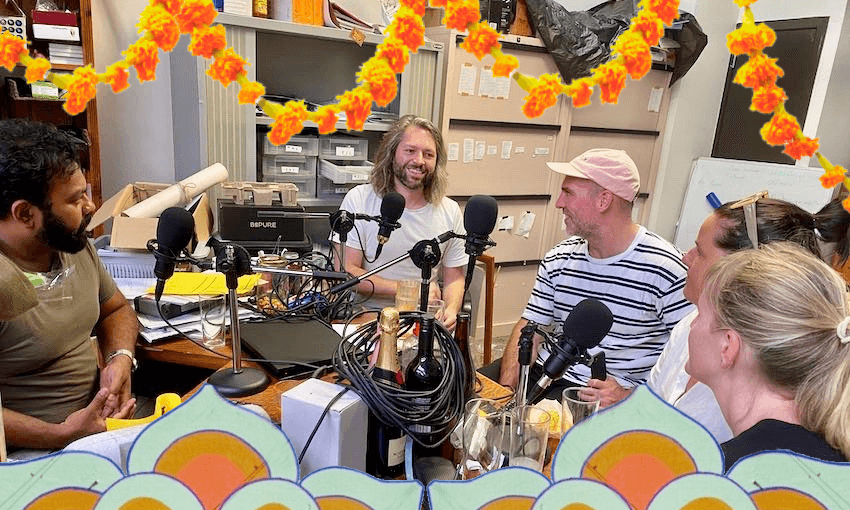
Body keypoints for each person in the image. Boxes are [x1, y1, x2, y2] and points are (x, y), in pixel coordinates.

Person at [583, 195, 850, 442]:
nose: (686, 257)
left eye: (700, 252)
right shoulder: (691, 322)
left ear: (740, 271)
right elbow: (655, 404)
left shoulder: (766, 381)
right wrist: (624, 398)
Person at [498, 148, 693, 400]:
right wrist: (504, 392)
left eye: (568, 193)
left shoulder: (667, 269)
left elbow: (690, 363)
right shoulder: (559, 258)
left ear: (603, 200)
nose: (559, 203)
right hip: (546, 374)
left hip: (606, 396)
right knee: (464, 402)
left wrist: (627, 398)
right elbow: (530, 328)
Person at [0, 119, 138, 451]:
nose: (90, 207)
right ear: (25, 215)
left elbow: (116, 309)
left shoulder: (69, 243)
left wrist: (119, 358)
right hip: (35, 451)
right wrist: (61, 434)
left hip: (103, 428)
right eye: (76, 200)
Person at [689, 243, 850, 471]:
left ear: (728, 345)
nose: (692, 325)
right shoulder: (834, 459)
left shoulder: (712, 482)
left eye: (699, 314)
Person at [330, 115, 466, 328]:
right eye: (410, 151)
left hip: (423, 322)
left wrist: (451, 309)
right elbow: (346, 272)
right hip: (366, 317)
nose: (419, 161)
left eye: (428, 154)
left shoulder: (449, 211)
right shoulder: (359, 199)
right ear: (392, 154)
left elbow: (454, 278)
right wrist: (408, 289)